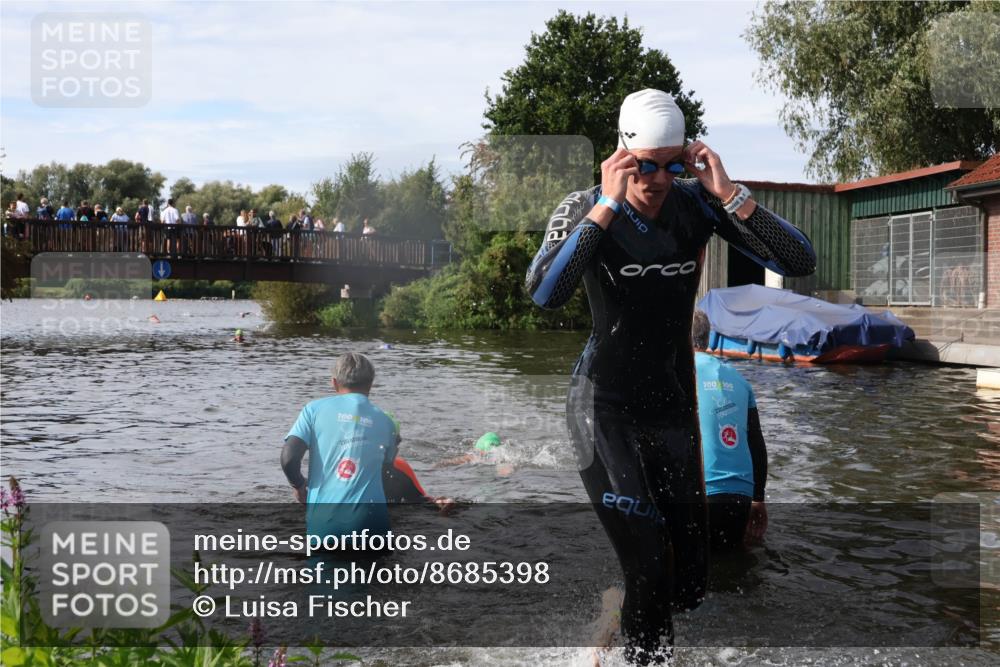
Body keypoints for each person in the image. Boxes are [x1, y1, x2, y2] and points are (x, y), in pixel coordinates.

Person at [526, 89, 815, 664]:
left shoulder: (697, 204)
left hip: (672, 405)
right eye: (644, 165)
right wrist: (604, 209)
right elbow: (544, 293)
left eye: (671, 164)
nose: (657, 179)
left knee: (688, 584)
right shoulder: (584, 204)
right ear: (621, 153)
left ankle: (623, 607)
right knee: (650, 561)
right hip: (602, 406)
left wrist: (731, 196)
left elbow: (799, 262)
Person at [281, 353, 400, 542]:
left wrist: (299, 486)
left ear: (334, 383)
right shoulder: (387, 423)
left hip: (326, 526)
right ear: (371, 384)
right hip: (373, 527)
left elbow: (289, 458)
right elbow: (387, 475)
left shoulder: (313, 410)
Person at [691, 310, 767, 551]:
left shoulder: (677, 373)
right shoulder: (740, 380)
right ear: (708, 339)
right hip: (741, 495)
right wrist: (758, 499)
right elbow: (756, 444)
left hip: (700, 492)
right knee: (734, 565)